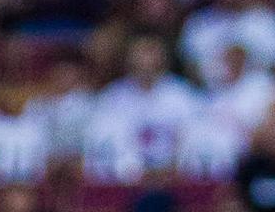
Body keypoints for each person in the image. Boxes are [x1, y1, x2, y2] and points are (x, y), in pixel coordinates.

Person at [84, 34, 202, 181]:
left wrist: (172, 170)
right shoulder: (112, 97)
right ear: (128, 58)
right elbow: (106, 143)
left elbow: (194, 139)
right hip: (127, 179)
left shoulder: (183, 95)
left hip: (175, 176)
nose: (145, 60)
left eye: (151, 52)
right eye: (140, 53)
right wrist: (136, 172)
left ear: (163, 58)